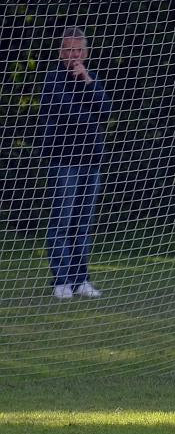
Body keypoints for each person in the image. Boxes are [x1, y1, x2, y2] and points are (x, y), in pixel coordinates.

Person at [40, 27, 112, 299]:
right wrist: (92, 117)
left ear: (86, 52)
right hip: (63, 159)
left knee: (83, 224)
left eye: (78, 50)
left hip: (91, 159)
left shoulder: (91, 79)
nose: (74, 55)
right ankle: (61, 281)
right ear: (61, 52)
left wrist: (88, 81)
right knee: (62, 222)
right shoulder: (53, 79)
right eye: (69, 50)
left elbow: (106, 109)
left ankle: (81, 279)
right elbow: (67, 113)